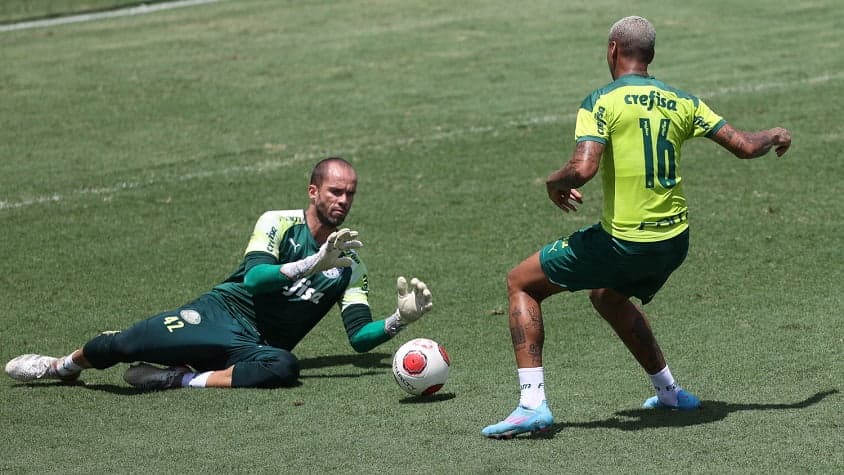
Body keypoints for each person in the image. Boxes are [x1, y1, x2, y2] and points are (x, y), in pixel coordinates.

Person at [481, 16, 791, 439]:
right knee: (608, 295)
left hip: (626, 242)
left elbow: (584, 168)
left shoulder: (601, 101)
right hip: (674, 242)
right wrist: (773, 133)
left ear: (612, 49)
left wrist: (555, 182)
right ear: (651, 55)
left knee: (521, 282)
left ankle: (532, 405)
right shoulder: (682, 100)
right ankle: (669, 392)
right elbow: (745, 146)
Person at [5, 157, 433, 390]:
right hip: (220, 316)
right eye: (335, 191)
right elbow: (254, 280)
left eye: (350, 194)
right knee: (126, 342)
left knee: (285, 369)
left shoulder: (350, 262)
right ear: (314, 192)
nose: (343, 200)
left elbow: (358, 338)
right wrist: (311, 263)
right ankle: (60, 366)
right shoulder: (278, 223)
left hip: (256, 348)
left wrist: (399, 320)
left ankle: (180, 377)